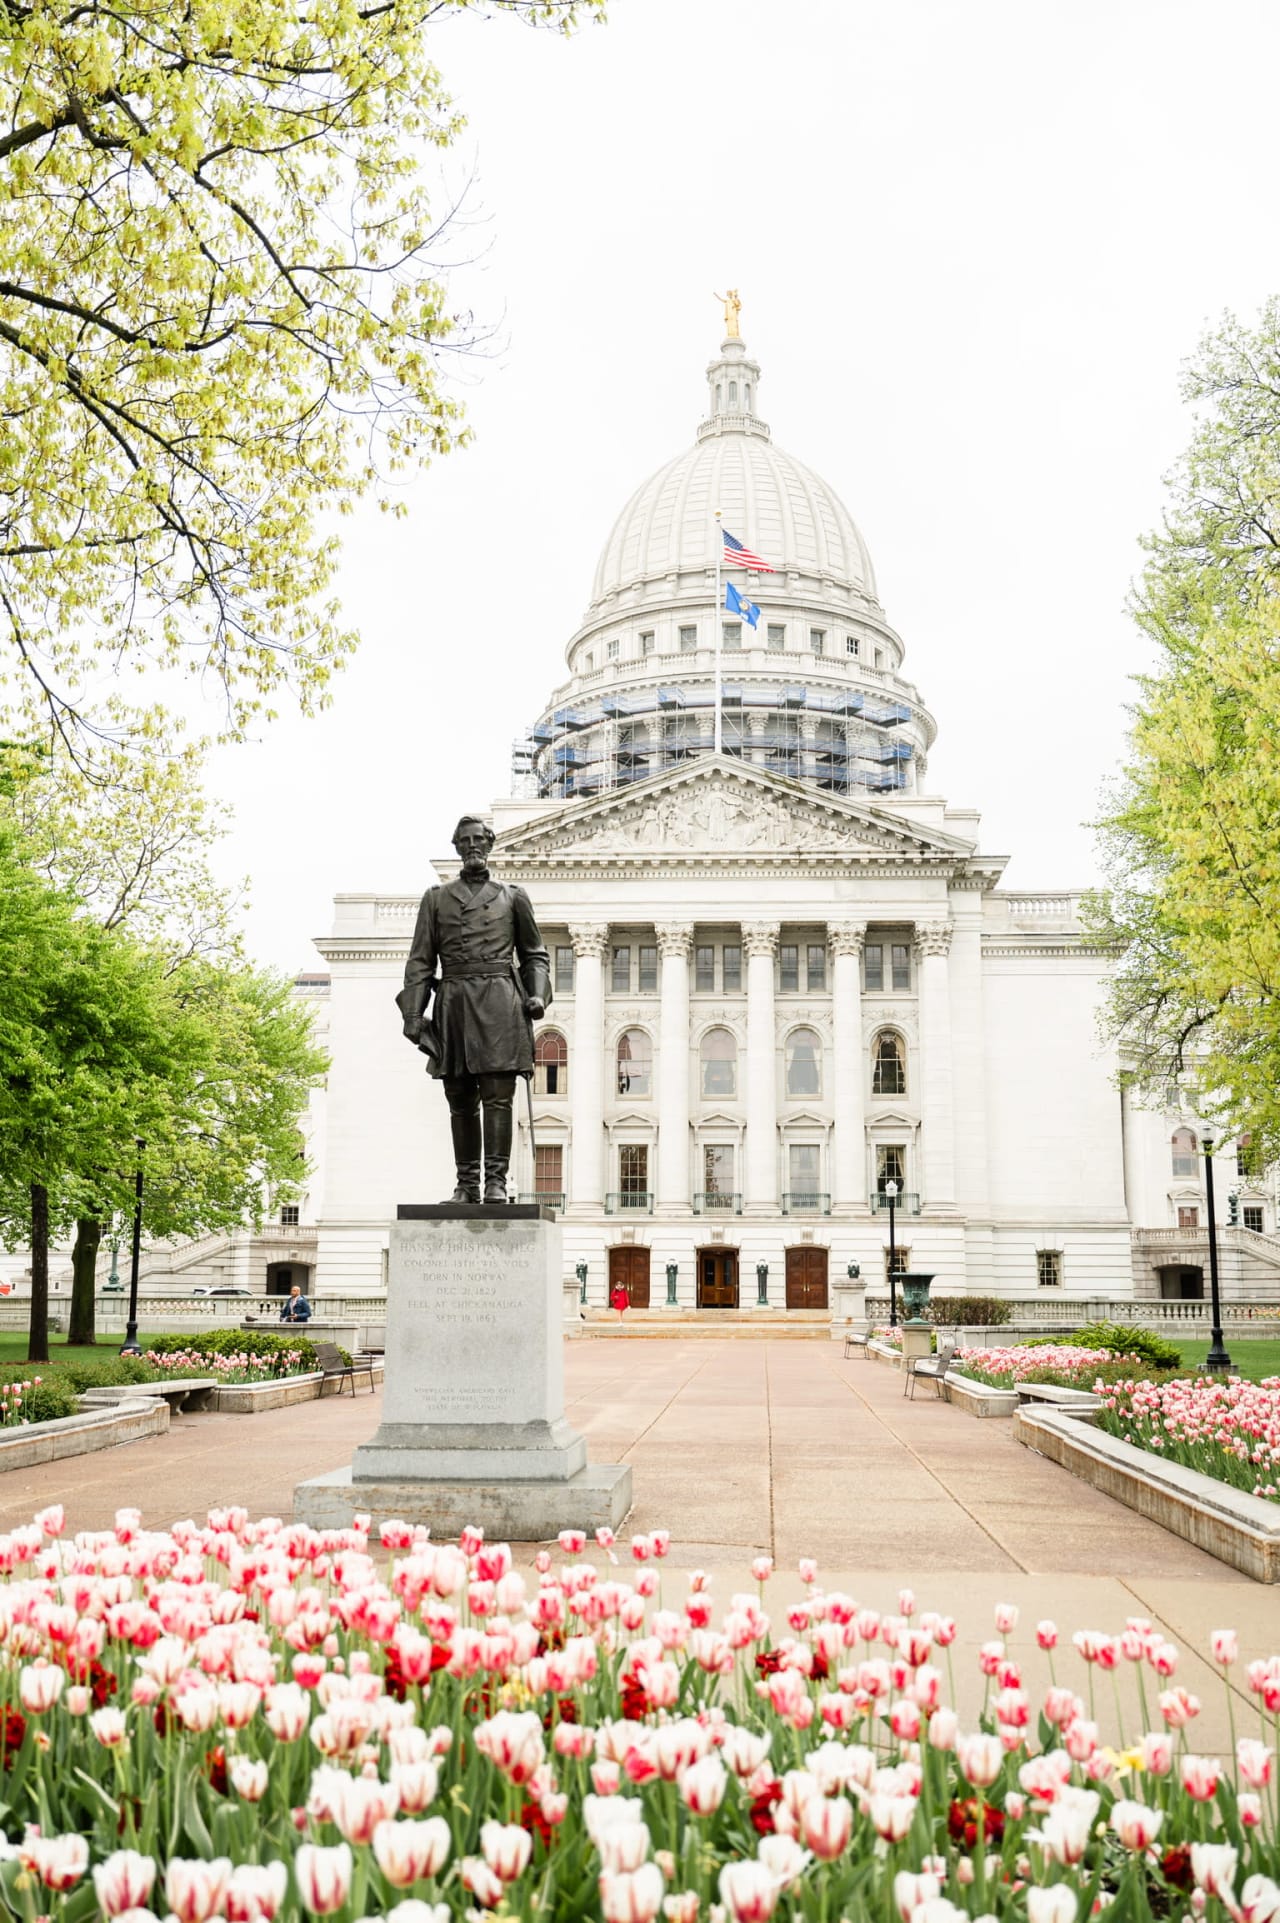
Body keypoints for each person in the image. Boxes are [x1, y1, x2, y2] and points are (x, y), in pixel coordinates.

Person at [397, 815, 552, 1204]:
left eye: (478, 840)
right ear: (456, 847)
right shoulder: (435, 898)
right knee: (460, 1099)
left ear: (490, 844)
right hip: (454, 1001)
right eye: (464, 841)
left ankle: (495, 1181)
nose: (472, 847)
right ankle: (466, 1185)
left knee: (498, 1097)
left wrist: (537, 995)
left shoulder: (512, 896)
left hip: (500, 999)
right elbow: (420, 960)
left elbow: (535, 955)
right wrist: (414, 1014)